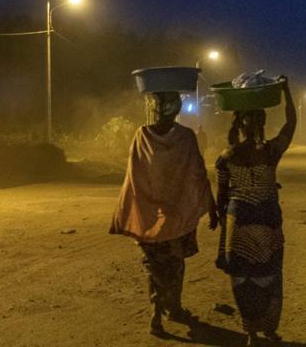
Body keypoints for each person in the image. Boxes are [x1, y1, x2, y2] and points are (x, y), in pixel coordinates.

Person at [110, 91, 218, 336]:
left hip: (149, 214)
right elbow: (198, 174)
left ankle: (156, 314)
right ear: (177, 110)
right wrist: (211, 208)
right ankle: (176, 308)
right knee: (175, 265)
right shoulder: (187, 137)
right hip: (177, 216)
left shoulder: (141, 135)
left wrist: (134, 207)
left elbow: (133, 174)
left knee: (153, 267)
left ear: (155, 109)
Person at [215, 75, 296, 346]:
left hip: (237, 224)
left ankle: (249, 332)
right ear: (263, 122)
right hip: (267, 221)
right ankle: (269, 330)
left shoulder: (226, 156)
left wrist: (217, 218)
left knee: (242, 279)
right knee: (270, 276)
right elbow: (291, 123)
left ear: (238, 122)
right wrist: (286, 90)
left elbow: (221, 196)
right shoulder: (272, 151)